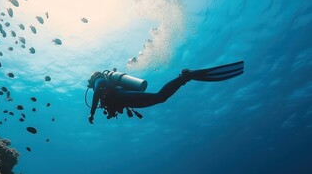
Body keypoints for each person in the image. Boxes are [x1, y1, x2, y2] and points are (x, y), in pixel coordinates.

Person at [87, 61, 244, 124]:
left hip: (124, 96)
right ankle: (185, 78)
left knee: (159, 97)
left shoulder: (99, 81)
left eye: (91, 82)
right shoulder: (101, 84)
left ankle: (186, 76)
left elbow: (96, 94)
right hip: (126, 100)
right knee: (160, 98)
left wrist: (92, 113)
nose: (91, 85)